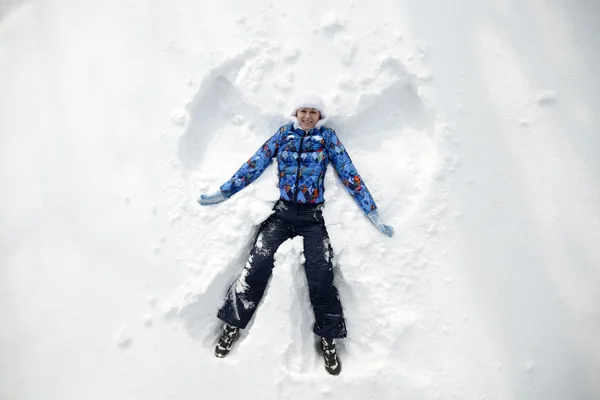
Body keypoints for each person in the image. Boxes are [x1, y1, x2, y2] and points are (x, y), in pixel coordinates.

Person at [197, 93, 393, 375]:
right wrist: (224, 192)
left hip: (313, 218)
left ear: (320, 116)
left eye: (313, 112)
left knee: (321, 274)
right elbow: (255, 164)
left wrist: (372, 212)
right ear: (295, 113)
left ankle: (328, 338)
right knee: (257, 263)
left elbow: (350, 175)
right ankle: (232, 325)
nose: (307, 117)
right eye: (303, 111)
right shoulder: (283, 136)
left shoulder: (327, 139)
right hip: (282, 214)